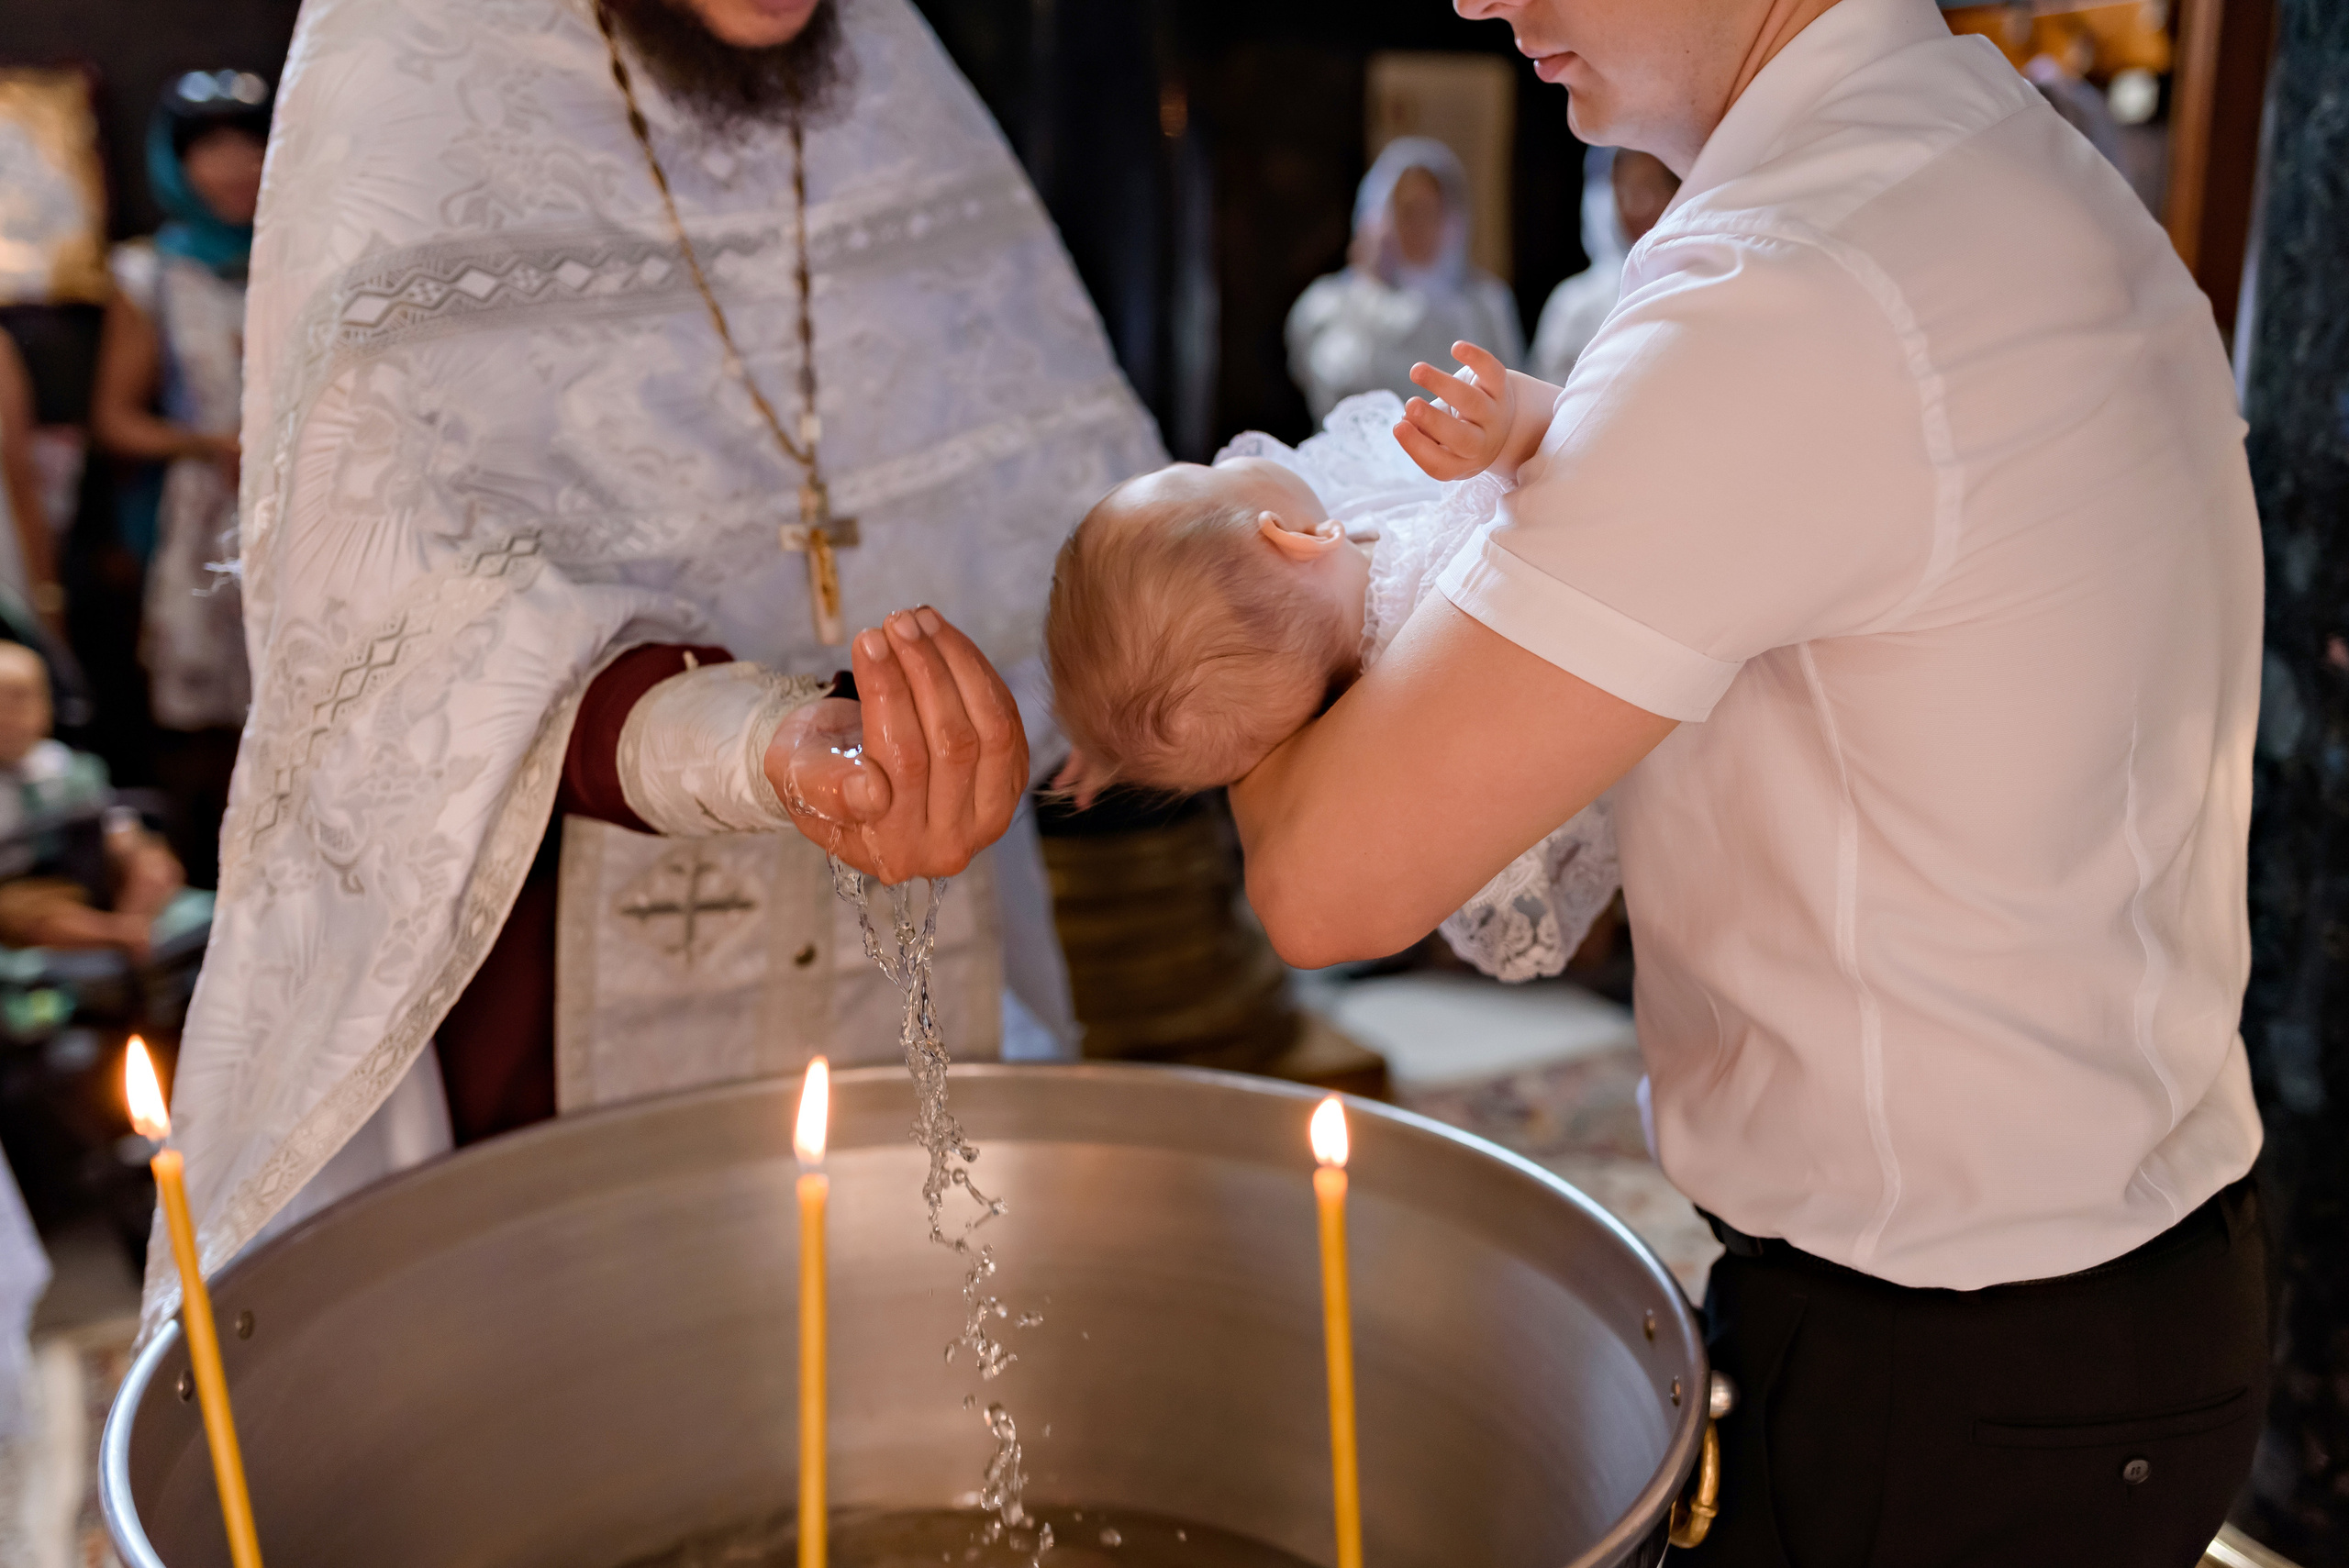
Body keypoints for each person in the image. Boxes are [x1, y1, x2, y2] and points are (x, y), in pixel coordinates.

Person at [1230, 0, 2267, 1560]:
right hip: (2115, 1283)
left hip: (1950, 1360)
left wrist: (1206, 599)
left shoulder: (1792, 282)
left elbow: (1328, 874)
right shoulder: (1989, 154)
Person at [139, 0, 1156, 1339]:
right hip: (556, 950)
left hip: (919, 874)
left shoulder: (882, 59)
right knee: (598, 1412)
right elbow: (399, 609)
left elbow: (1042, 463)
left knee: (914, 1362)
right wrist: (756, 747)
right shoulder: (413, 45)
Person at [1048, 353, 1613, 982]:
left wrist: (1119, 720)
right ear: (1296, 538)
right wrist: (1511, 430)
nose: (1217, 459)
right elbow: (1580, 492)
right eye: (1197, 473)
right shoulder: (1436, 594)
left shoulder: (1304, 629)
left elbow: (1173, 675)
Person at [88, 72, 271, 891]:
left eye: (251, 144)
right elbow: (115, 417)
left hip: (300, 510)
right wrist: (203, 442)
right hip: (198, 523)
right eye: (212, 150)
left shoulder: (304, 251)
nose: (235, 167)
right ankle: (209, 888)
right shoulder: (150, 275)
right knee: (204, 726)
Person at [1286, 137, 1524, 423]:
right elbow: (1330, 389)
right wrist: (1369, 288)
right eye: (1407, 211)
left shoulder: (1485, 304)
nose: (1420, 227)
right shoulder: (1333, 302)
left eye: (1431, 212)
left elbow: (1511, 398)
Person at [0, 642, 184, 958]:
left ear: (46, 706)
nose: (7, 715)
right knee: (22, 914)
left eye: (20, 699)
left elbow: (112, 817)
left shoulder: (73, 768)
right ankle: (121, 937)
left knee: (154, 864)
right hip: (24, 886)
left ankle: (131, 928)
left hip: (90, 873)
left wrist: (127, 843)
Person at [1527, 147, 1679, 383]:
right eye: (1630, 192)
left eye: (1660, 188)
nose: (1645, 206)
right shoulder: (1575, 304)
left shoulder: (1700, 281)